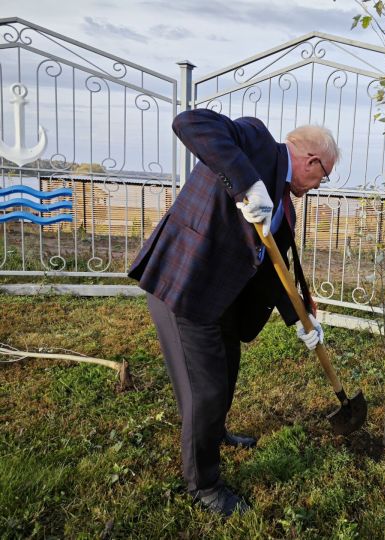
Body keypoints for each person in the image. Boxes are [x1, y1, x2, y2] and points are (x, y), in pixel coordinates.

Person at [128, 108, 339, 517]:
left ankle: (216, 432)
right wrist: (247, 183)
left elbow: (272, 272)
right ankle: (204, 485)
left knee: (226, 370)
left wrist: (302, 321)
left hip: (219, 298)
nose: (318, 185)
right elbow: (189, 123)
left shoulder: (284, 206)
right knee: (204, 390)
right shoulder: (256, 142)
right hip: (185, 285)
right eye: (323, 176)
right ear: (313, 161)